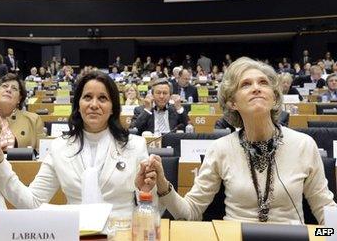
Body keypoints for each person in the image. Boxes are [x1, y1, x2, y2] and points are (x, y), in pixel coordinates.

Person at [141, 57, 336, 224]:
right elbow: (190, 212)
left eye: (263, 83)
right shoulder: (221, 149)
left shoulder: (304, 144)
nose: (256, 88)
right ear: (232, 103)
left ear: (275, 98)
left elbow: (325, 209)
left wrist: (318, 236)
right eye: (246, 84)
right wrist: (163, 184)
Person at [0, 71, 156, 215]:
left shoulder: (135, 145)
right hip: (77, 233)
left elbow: (152, 206)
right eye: (87, 97)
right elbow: (32, 202)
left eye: (102, 98)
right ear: (78, 105)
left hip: (122, 233)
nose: (94, 104)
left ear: (112, 108)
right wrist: (0, 163)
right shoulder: (60, 147)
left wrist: (146, 193)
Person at [0, 73, 44, 151]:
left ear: (19, 99)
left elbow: (42, 155)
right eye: (5, 86)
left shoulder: (34, 120)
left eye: (14, 88)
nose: (8, 90)